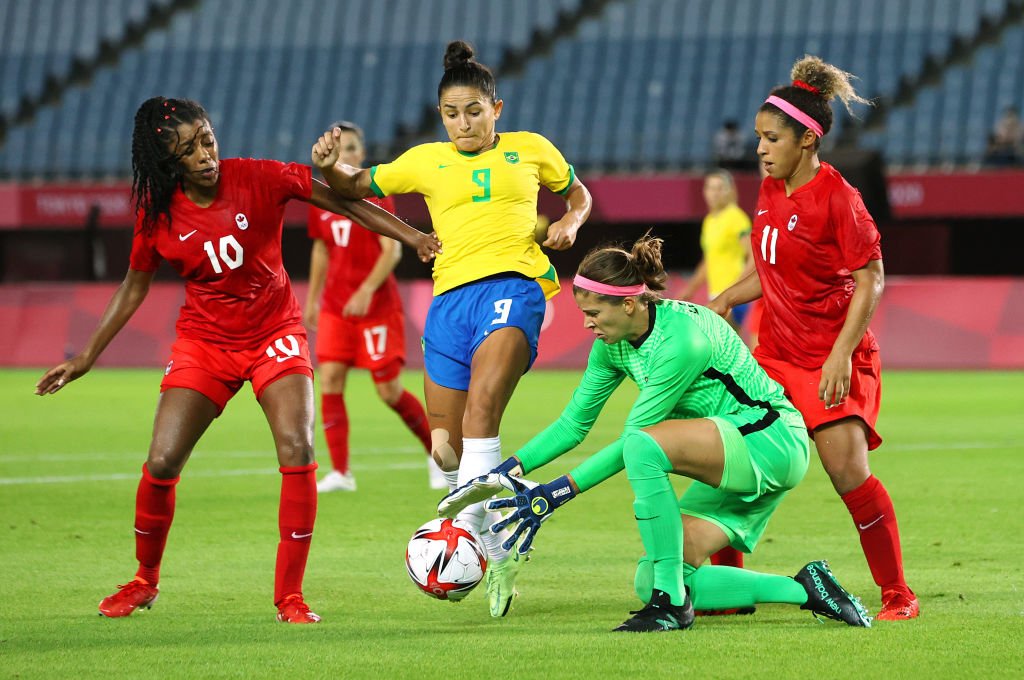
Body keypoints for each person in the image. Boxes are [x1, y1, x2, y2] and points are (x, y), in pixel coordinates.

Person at [34, 97, 439, 624]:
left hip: (276, 331)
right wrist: (86, 356)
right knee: (161, 462)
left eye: (207, 138)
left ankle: (289, 598)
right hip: (205, 343)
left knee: (297, 448)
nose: (206, 154)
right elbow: (136, 283)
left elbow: (342, 203)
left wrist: (415, 237)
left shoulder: (258, 176)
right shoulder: (156, 212)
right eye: (189, 149)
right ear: (167, 161)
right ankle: (144, 580)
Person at [438, 236, 871, 632]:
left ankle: (670, 607)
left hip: (771, 441)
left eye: (593, 313)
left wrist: (555, 493)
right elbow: (574, 424)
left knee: (644, 447)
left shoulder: (681, 341)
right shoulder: (613, 344)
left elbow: (636, 442)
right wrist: (505, 471)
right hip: (729, 450)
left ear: (628, 305)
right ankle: (807, 588)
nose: (587, 324)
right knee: (655, 574)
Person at [311, 40, 592, 618]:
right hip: (448, 306)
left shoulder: (530, 150)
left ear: (497, 109)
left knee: (482, 412)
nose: (463, 124)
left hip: (514, 289)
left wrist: (571, 217)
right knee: (446, 452)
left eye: (473, 111)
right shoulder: (422, 161)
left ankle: (470, 539)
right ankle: (500, 537)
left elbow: (579, 193)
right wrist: (327, 168)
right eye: (451, 114)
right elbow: (352, 188)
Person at [708, 56, 919, 621]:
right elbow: (771, 263)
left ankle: (899, 593)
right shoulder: (770, 190)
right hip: (774, 356)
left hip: (829, 357)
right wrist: (729, 297)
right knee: (741, 456)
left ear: (807, 139)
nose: (760, 148)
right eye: (758, 138)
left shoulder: (839, 199)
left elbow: (870, 278)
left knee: (847, 473)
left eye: (771, 138)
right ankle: (728, 586)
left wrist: (841, 354)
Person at [304, 120, 444, 493]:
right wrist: (313, 297)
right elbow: (321, 248)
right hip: (336, 306)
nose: (346, 154)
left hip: (376, 308)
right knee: (330, 380)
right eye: (340, 148)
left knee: (389, 391)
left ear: (361, 154)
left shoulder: (377, 196)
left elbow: (392, 248)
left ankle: (437, 454)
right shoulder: (320, 198)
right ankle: (341, 472)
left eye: (351, 148)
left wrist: (366, 289)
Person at [681, 169, 755, 345]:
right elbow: (709, 260)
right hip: (716, 294)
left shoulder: (736, 218)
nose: (714, 193)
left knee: (715, 344)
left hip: (733, 296)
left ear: (729, 191)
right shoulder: (709, 221)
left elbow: (753, 257)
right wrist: (690, 289)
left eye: (719, 188)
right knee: (725, 347)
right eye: (710, 188)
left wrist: (735, 289)